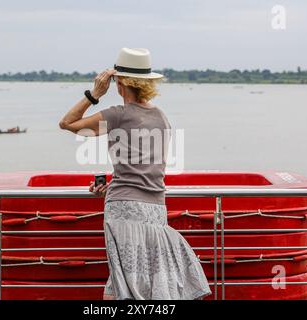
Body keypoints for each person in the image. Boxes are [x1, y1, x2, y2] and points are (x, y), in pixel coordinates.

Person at [59, 47, 211, 300]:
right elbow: (148, 167)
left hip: (124, 210)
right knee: (139, 283)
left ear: (119, 83)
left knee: (124, 285)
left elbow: (68, 123)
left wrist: (94, 94)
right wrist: (117, 186)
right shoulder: (161, 117)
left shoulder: (117, 115)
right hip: (156, 209)